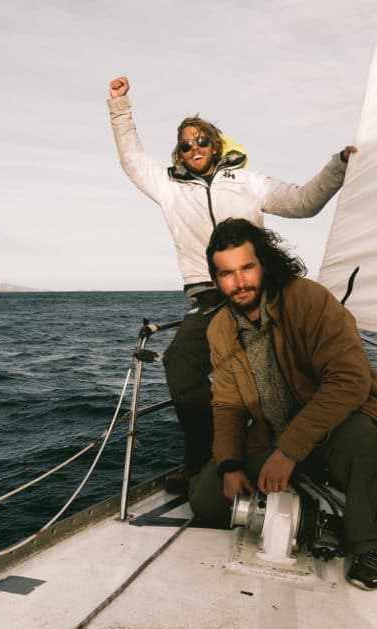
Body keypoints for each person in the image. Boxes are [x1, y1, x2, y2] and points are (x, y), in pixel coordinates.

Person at [107, 74, 357, 485]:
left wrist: (338, 167)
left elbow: (303, 203)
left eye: (201, 140)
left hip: (262, 293)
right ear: (179, 153)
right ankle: (205, 463)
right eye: (185, 144)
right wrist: (120, 107)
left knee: (291, 370)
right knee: (180, 365)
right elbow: (133, 160)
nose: (194, 148)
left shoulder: (248, 182)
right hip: (208, 299)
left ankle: (317, 454)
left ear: (216, 144)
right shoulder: (168, 188)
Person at [189, 218, 377, 590]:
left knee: (364, 438)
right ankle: (306, 505)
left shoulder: (308, 300)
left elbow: (350, 381)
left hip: (336, 427)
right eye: (226, 273)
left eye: (247, 268)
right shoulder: (219, 328)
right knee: (206, 500)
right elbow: (228, 406)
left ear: (264, 265)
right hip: (275, 435)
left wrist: (288, 450)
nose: (239, 282)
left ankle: (366, 544)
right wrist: (230, 464)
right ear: (215, 279)